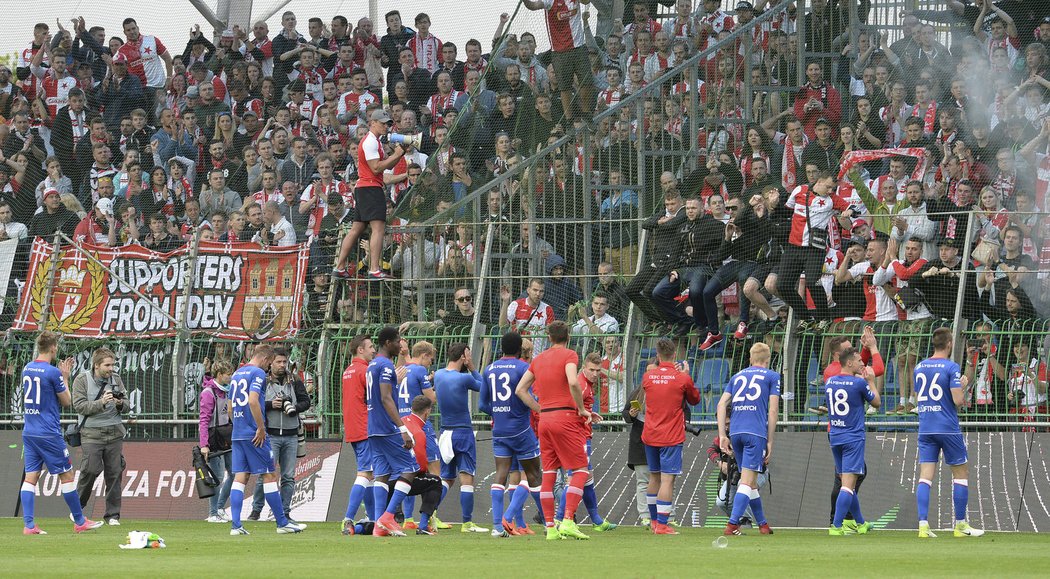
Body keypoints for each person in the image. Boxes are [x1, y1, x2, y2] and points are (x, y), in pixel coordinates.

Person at [515, 321, 594, 541]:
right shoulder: (570, 355)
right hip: (565, 418)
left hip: (545, 420)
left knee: (549, 474)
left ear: (549, 337)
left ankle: (550, 527)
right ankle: (568, 520)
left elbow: (520, 390)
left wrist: (541, 408)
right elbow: (573, 382)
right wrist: (580, 409)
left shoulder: (538, 360)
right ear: (567, 336)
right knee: (580, 471)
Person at [20, 331, 104, 535]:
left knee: (30, 477)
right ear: (53, 348)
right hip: (48, 433)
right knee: (66, 475)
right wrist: (65, 377)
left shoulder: (27, 369)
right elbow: (67, 402)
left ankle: (29, 525)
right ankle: (79, 521)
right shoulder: (52, 372)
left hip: (29, 431)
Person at [227, 344, 305, 535]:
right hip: (254, 434)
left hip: (238, 433)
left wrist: (238, 425)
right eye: (269, 363)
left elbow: (229, 406)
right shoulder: (257, 373)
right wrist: (260, 428)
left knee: (241, 477)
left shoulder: (237, 374)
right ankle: (282, 523)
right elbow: (253, 400)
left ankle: (236, 525)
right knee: (269, 475)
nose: (268, 367)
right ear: (265, 359)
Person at [914, 327, 984, 538]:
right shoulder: (950, 367)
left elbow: (919, 395)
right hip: (947, 428)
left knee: (925, 477)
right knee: (961, 474)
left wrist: (969, 366)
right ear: (950, 344)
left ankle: (923, 526)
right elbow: (958, 401)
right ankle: (960, 525)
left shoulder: (919, 367)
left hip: (926, 427)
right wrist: (961, 385)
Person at [480, 332, 544, 537]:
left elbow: (482, 404)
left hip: (499, 429)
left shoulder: (489, 369)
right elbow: (529, 396)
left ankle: (497, 526)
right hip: (521, 429)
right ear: (519, 350)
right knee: (534, 475)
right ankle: (549, 523)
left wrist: (500, 412)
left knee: (501, 475)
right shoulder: (523, 368)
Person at [333, 110, 406, 280]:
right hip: (370, 188)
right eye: (382, 123)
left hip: (365, 188)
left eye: (387, 123)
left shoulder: (375, 142)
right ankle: (374, 269)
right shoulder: (370, 142)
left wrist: (398, 154)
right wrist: (396, 154)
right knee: (378, 228)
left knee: (356, 228)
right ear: (372, 122)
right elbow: (376, 168)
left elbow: (386, 165)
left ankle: (340, 267)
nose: (385, 126)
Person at [717, 342, 779, 536]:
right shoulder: (772, 376)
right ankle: (732, 524)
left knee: (750, 482)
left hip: (735, 432)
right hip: (755, 432)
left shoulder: (737, 377)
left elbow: (721, 405)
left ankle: (762, 524)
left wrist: (721, 435)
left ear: (750, 359)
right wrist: (770, 440)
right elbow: (773, 410)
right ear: (767, 360)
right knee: (747, 480)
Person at [641, 339, 700, 535]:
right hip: (671, 436)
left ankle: (653, 522)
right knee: (667, 480)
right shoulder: (681, 378)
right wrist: (686, 375)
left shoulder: (648, 377)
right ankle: (663, 525)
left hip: (650, 434)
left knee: (654, 477)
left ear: (658, 356)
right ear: (675, 355)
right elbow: (694, 399)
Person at [247, 348, 310, 523]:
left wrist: (293, 408)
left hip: (291, 435)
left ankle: (284, 512)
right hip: (270, 435)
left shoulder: (295, 380)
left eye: (284, 362)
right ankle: (256, 510)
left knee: (288, 476)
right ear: (271, 362)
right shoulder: (263, 380)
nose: (282, 365)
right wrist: (270, 405)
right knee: (265, 474)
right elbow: (253, 402)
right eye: (278, 362)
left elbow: (306, 401)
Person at [366, 326, 417, 537]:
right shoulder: (385, 365)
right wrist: (403, 428)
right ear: (388, 343)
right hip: (387, 428)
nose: (400, 345)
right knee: (410, 468)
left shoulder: (372, 365)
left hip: (373, 428)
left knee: (382, 475)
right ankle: (388, 516)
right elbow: (386, 398)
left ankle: (379, 525)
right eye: (397, 341)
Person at [71, 347, 130, 526]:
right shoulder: (82, 380)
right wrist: (101, 403)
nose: (111, 368)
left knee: (114, 473)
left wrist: (120, 403)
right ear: (97, 365)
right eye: (107, 365)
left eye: (112, 364)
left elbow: (127, 405)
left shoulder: (116, 379)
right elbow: (79, 406)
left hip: (114, 433)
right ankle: (77, 508)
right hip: (91, 434)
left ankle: (113, 516)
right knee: (90, 470)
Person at [826, 348, 879, 536]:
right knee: (848, 485)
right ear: (849, 363)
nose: (862, 363)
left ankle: (861, 523)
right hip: (853, 437)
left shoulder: (830, 382)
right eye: (858, 361)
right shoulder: (858, 383)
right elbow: (876, 403)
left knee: (847, 480)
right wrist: (871, 382)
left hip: (835, 436)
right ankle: (837, 526)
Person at [434, 342, 487, 533]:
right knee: (467, 478)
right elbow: (483, 386)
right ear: (464, 356)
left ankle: (430, 514)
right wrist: (472, 367)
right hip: (463, 432)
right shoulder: (464, 378)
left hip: (445, 432)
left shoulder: (438, 375)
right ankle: (467, 523)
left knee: (447, 478)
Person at [523, 0, 595, 122]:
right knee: (564, 87)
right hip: (560, 51)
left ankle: (586, 112)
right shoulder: (550, 1)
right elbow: (533, 6)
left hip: (579, 46)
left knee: (587, 82)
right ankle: (569, 119)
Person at [396, 341, 439, 531]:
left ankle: (408, 519)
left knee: (409, 468)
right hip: (419, 423)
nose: (430, 362)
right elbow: (431, 399)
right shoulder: (420, 371)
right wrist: (437, 382)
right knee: (433, 470)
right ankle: (431, 519)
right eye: (430, 358)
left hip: (402, 423)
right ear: (423, 355)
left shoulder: (401, 369)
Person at [340, 335, 376, 534]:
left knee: (369, 475)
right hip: (365, 428)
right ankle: (348, 518)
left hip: (353, 428)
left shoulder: (348, 370)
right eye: (370, 347)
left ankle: (372, 518)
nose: (373, 350)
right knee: (364, 473)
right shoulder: (365, 371)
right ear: (360, 350)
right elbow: (374, 399)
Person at [199, 359, 234, 523]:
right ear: (220, 375)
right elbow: (204, 421)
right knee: (217, 476)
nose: (231, 377)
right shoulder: (208, 393)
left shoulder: (227, 391)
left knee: (234, 472)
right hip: (214, 439)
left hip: (227, 436)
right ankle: (213, 513)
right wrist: (204, 445)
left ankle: (220, 508)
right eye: (228, 374)